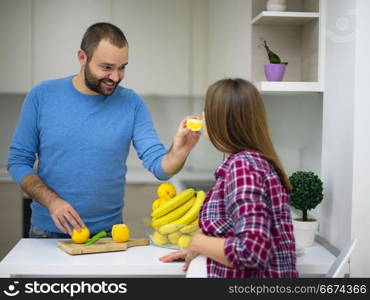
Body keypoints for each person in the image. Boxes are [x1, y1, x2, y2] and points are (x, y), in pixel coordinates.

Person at [7, 22, 200, 238]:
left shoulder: (131, 103)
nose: (115, 77)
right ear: (82, 57)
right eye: (106, 67)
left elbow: (160, 167)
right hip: (47, 233)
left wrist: (180, 150)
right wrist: (52, 202)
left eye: (122, 67)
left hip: (108, 235)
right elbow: (18, 161)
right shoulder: (42, 96)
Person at [160, 78, 298, 278]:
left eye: (206, 109)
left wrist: (197, 241)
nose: (202, 115)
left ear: (221, 118)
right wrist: (205, 250)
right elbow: (234, 233)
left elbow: (252, 252)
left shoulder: (243, 168)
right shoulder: (249, 162)